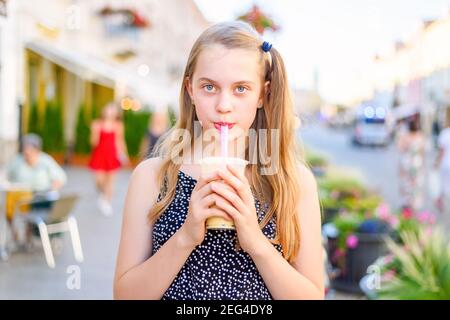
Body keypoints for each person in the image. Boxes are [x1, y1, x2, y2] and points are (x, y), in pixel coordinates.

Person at [114, 21, 324, 300]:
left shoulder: (292, 181)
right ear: (190, 89)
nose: (224, 105)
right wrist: (186, 236)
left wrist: (255, 242)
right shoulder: (152, 177)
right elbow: (125, 296)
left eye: (240, 89)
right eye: (209, 87)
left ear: (263, 93)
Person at [89, 102, 129, 216]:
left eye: (113, 109)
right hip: (100, 155)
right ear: (104, 110)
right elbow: (93, 143)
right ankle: (102, 194)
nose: (110, 111)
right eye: (109, 108)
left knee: (111, 181)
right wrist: (94, 131)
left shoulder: (118, 125)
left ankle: (107, 202)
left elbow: (120, 141)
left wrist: (124, 155)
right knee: (99, 180)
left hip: (112, 155)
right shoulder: (97, 124)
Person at [396, 116, 425, 211]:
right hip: (416, 162)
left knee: (406, 183)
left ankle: (406, 203)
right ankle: (414, 203)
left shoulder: (405, 136)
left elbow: (400, 149)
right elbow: (422, 152)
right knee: (415, 183)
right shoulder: (420, 136)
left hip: (406, 162)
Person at [435, 112, 450, 214]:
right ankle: (440, 200)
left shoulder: (445, 133)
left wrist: (436, 163)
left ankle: (440, 200)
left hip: (445, 164)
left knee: (444, 184)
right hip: (446, 164)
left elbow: (442, 151)